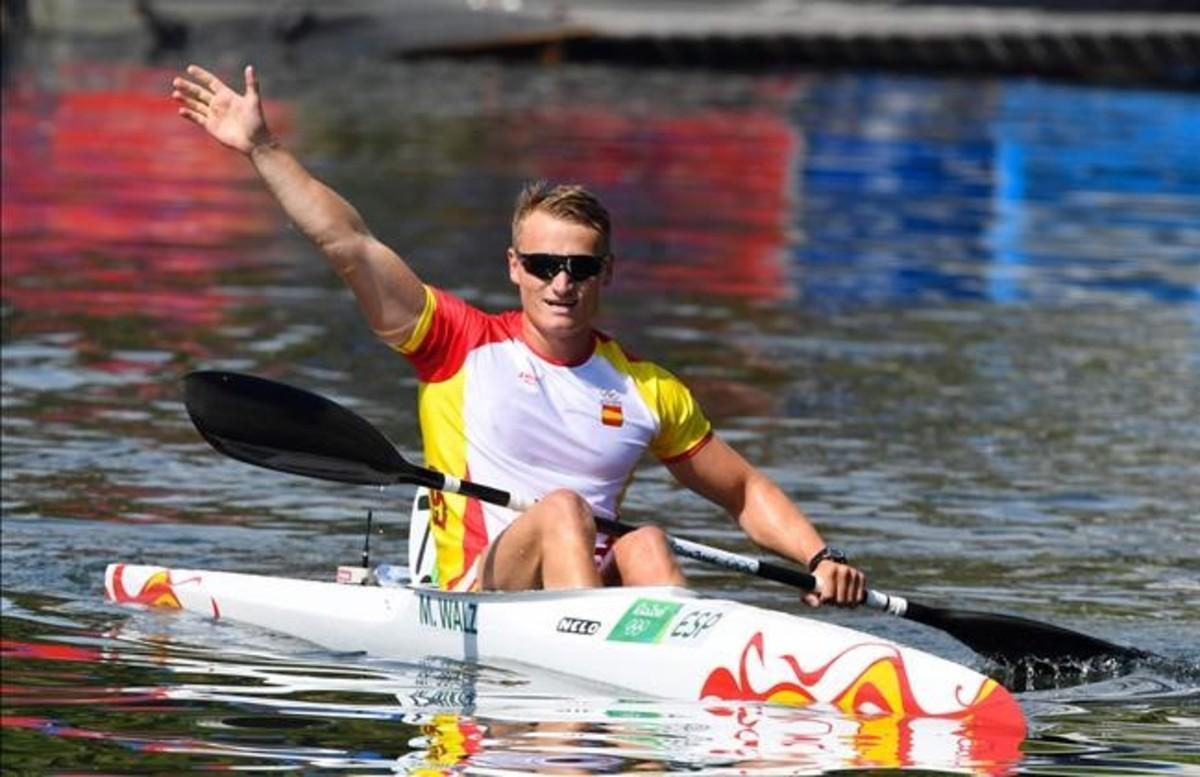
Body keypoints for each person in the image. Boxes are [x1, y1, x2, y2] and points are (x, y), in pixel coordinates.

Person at [171, 64, 867, 606]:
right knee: (567, 510)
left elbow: (743, 491)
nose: (560, 282)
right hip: (476, 595)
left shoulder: (647, 388)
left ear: (606, 272)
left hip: (580, 593)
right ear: (515, 267)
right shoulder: (456, 343)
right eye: (542, 265)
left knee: (647, 540)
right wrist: (263, 148)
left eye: (579, 266)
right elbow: (349, 243)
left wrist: (819, 557)